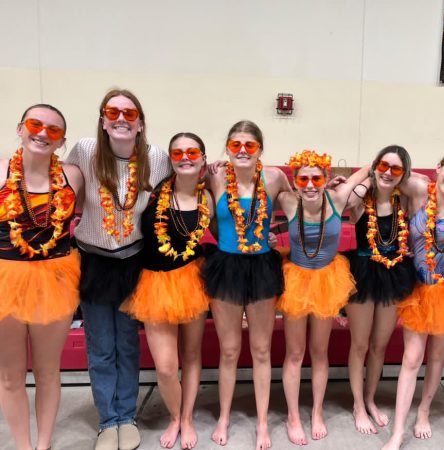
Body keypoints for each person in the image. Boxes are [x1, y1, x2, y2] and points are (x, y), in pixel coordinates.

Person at [66, 89, 171, 450]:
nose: (121, 118)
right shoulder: (84, 150)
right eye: (113, 111)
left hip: (133, 260)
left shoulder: (157, 158)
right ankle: (107, 420)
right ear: (102, 119)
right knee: (101, 346)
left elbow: (172, 200)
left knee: (127, 344)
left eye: (130, 113)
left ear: (141, 123)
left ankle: (127, 416)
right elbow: (67, 190)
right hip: (94, 259)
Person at [201, 120, 291, 450]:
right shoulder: (215, 177)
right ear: (227, 147)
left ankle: (263, 422)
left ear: (260, 150)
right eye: (235, 144)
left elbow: (302, 208)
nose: (242, 151)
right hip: (226, 265)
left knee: (262, 349)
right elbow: (208, 217)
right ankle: (224, 415)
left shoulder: (275, 178)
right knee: (228, 350)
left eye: (249, 145)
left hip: (262, 266)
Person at [382, 149, 444, 450]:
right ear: (439, 166)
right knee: (412, 359)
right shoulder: (418, 190)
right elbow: (382, 172)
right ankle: (398, 432)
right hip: (418, 289)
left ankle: (423, 411)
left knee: (437, 355)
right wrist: (351, 184)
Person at [120, 132, 212, 449]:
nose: (185, 156)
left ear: (202, 157)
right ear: (171, 157)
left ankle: (186, 418)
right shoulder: (153, 190)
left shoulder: (208, 197)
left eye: (192, 151)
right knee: (166, 366)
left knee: (191, 354)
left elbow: (229, 229)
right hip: (154, 283)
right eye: (178, 152)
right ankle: (174, 415)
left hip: (192, 280)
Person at [0, 104, 82, 450]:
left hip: (56, 278)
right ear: (20, 128)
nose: (43, 133)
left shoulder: (72, 176)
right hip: (6, 278)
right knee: (10, 376)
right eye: (35, 124)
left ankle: (44, 444)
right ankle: (22, 446)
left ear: (61, 141)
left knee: (48, 371)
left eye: (54, 130)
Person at [276, 150, 368, 444]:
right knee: (294, 353)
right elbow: (261, 181)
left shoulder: (338, 199)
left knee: (319, 352)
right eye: (303, 178)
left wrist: (352, 186)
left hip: (328, 280)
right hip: (296, 281)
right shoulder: (288, 200)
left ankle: (316, 412)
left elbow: (369, 168)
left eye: (317, 178)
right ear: (295, 181)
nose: (310, 184)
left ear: (326, 179)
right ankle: (293, 415)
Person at [343, 145, 417, 435]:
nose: (388, 173)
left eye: (396, 169)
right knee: (360, 344)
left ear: (404, 175)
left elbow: (424, 184)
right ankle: (357, 404)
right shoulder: (362, 200)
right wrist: (366, 174)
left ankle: (371, 399)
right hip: (362, 273)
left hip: (393, 274)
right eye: (383, 166)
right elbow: (343, 199)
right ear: (375, 166)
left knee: (379, 346)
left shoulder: (406, 201)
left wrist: (400, 177)